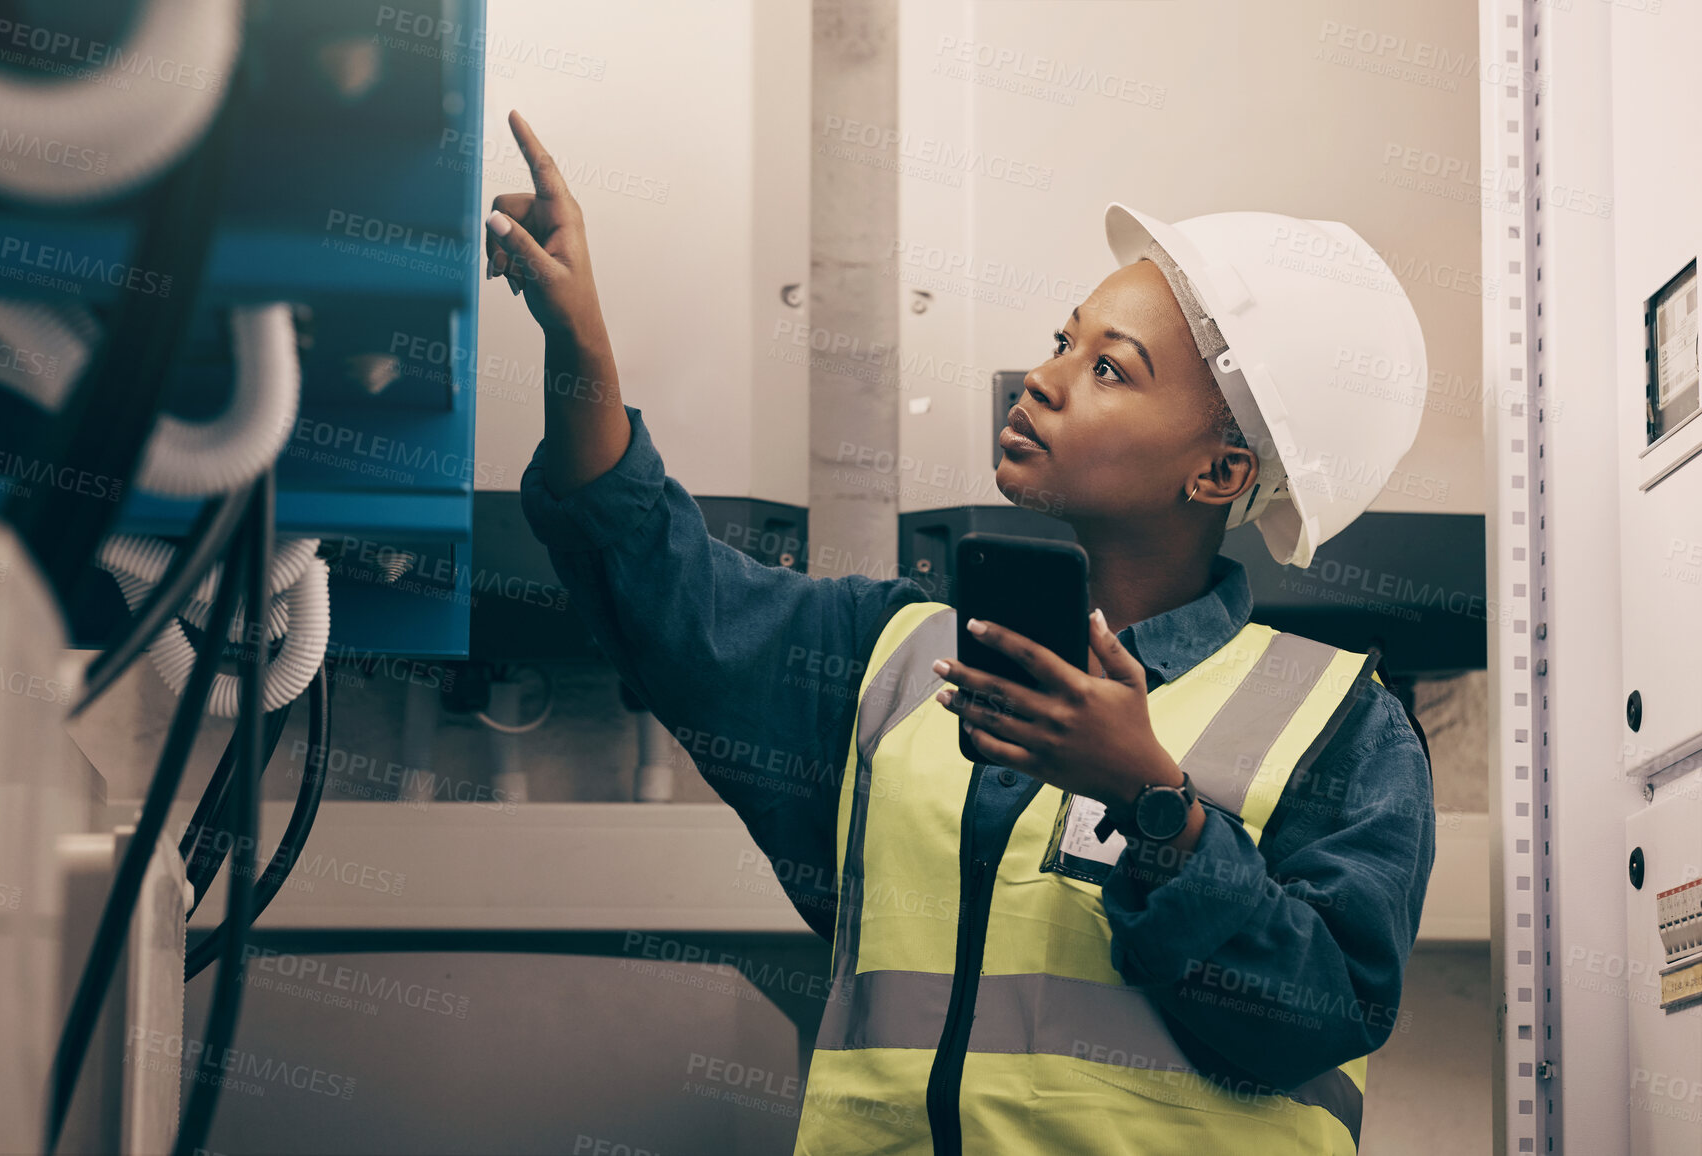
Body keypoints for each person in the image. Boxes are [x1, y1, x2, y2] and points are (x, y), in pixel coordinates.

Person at [487, 108, 1436, 1156]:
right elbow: (658, 589)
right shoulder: (891, 659)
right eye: (1061, 342)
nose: (1043, 378)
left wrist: (1152, 804)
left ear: (1218, 473)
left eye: (1111, 369)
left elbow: (1317, 1013)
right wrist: (578, 340)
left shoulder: (1343, 725)